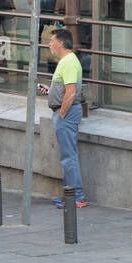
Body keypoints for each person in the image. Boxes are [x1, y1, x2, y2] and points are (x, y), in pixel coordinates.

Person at [48, 28, 87, 208]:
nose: (49, 44)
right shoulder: (67, 61)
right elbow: (66, 90)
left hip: (66, 113)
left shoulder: (69, 62)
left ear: (60, 43)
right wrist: (50, 93)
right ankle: (71, 196)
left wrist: (61, 114)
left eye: (52, 40)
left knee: (68, 157)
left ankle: (76, 197)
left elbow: (71, 93)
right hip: (64, 112)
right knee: (68, 156)